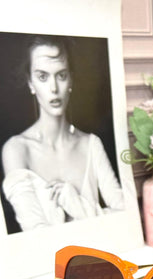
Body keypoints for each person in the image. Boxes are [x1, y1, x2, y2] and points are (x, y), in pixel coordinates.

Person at [1, 35, 124, 232]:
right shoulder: (16, 149)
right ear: (31, 83)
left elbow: (125, 217)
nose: (54, 88)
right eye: (42, 77)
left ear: (71, 79)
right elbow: (35, 233)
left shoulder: (91, 145)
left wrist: (76, 205)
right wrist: (90, 214)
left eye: (61, 75)